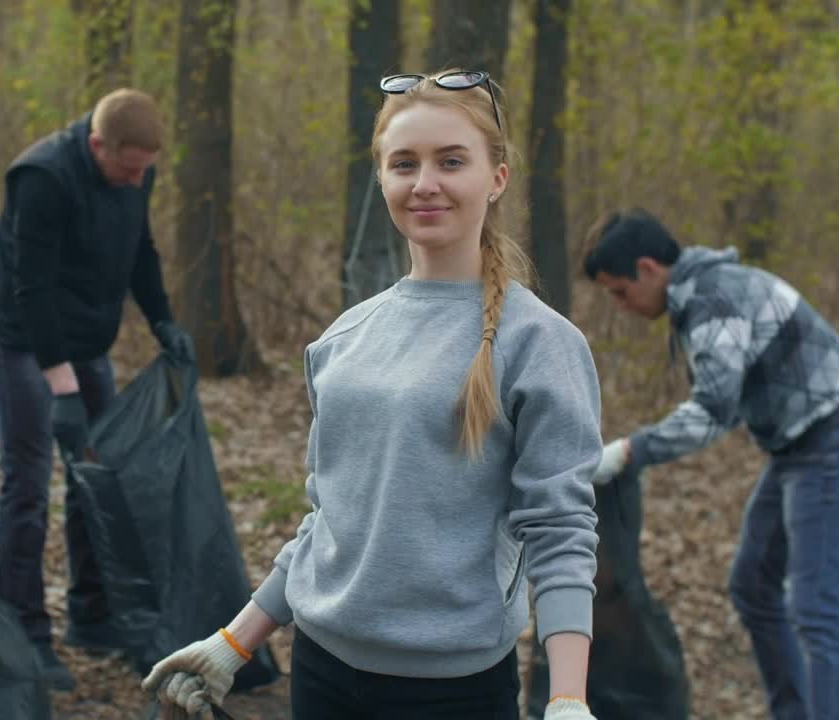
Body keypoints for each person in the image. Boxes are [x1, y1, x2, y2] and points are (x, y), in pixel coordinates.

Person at [141, 70, 602, 720]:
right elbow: (330, 522)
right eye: (403, 164)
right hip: (323, 671)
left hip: (455, 691)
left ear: (497, 177)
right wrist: (232, 644)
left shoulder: (540, 344)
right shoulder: (344, 339)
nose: (425, 184)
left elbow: (561, 530)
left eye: (451, 161)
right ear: (382, 179)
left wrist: (566, 697)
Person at [583, 209, 839, 720]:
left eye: (619, 291)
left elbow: (714, 411)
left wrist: (631, 450)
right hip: (801, 450)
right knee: (753, 586)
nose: (622, 306)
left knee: (816, 610)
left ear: (649, 268)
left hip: (837, 445)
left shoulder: (712, 299)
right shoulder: (706, 291)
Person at [0, 87, 195, 690]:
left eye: (144, 171)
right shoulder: (42, 178)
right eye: (128, 168)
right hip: (24, 341)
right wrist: (61, 385)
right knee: (27, 481)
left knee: (99, 474)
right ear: (98, 145)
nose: (136, 181)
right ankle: (23, 633)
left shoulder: (134, 175)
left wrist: (163, 320)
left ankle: (91, 613)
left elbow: (140, 252)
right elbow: (33, 286)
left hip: (87, 341)